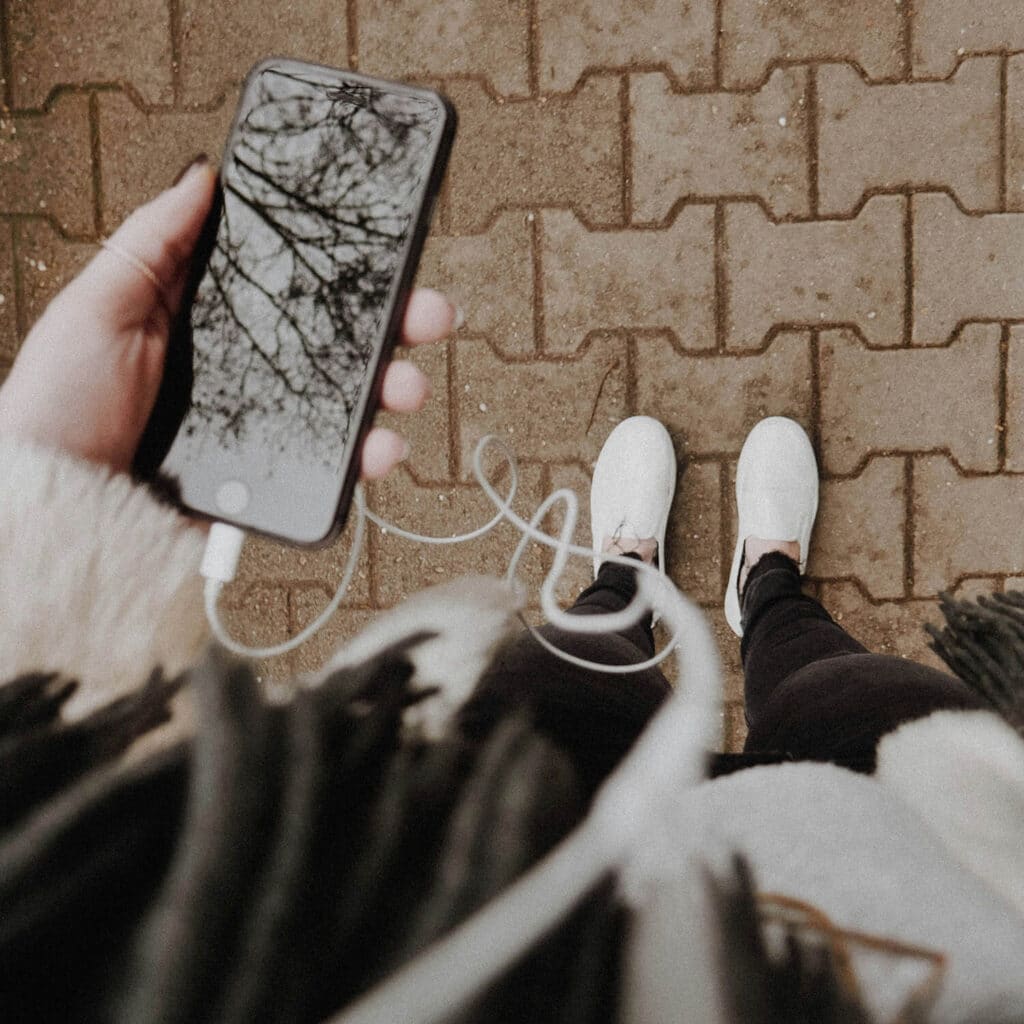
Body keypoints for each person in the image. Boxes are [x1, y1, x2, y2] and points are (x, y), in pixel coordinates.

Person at [2, 161, 1024, 1023]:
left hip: (484, 827)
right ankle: (766, 587)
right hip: (926, 857)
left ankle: (633, 575)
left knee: (574, 669)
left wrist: (61, 501)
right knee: (835, 689)